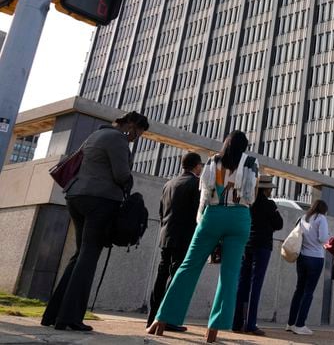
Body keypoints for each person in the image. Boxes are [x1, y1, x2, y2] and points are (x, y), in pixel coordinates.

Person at [147, 130, 258, 343]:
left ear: (225, 144)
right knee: (230, 274)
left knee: (188, 266)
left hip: (213, 215)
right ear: (244, 146)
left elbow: (205, 193)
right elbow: (250, 196)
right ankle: (213, 329)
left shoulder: (213, 161)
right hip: (240, 217)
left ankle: (161, 320)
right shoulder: (251, 162)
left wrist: (202, 219)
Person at [42, 112, 150, 332]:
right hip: (99, 200)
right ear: (131, 124)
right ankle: (70, 317)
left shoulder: (96, 135)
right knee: (89, 256)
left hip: (76, 196)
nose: (136, 137)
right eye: (138, 132)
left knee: (80, 254)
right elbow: (121, 175)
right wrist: (129, 181)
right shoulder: (118, 139)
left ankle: (54, 314)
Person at [146, 152, 204, 330]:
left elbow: (161, 211)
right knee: (177, 276)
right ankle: (167, 319)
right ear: (196, 166)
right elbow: (198, 214)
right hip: (184, 236)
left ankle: (152, 318)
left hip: (166, 234)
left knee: (161, 275)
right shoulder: (196, 184)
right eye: (200, 165)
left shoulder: (169, 183)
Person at [231, 176, 283, 336]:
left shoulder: (248, 202)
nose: (271, 191)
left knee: (242, 283)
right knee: (256, 285)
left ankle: (236, 322)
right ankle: (250, 324)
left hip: (246, 244)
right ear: (265, 189)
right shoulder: (269, 204)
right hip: (262, 246)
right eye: (270, 188)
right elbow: (279, 224)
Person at [286, 199, 329, 335]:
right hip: (315, 257)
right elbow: (323, 239)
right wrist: (328, 236)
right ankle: (300, 324)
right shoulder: (321, 219)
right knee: (308, 292)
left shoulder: (303, 217)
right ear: (323, 209)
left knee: (299, 290)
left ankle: (291, 323)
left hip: (302, 256)